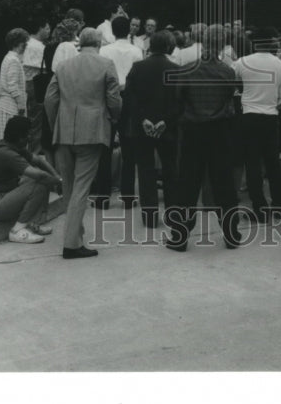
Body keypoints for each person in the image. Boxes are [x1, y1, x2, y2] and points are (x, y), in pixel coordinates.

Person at [44, 27, 122, 258]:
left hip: (64, 130)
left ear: (80, 44)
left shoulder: (63, 66)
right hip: (92, 131)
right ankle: (71, 244)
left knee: (69, 188)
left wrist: (55, 124)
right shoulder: (106, 64)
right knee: (81, 188)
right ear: (98, 44)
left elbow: (50, 100)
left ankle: (75, 236)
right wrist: (113, 119)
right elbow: (114, 100)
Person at [165, 24, 241, 252]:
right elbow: (231, 100)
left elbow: (177, 101)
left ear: (204, 43)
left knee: (187, 184)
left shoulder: (187, 70)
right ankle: (231, 233)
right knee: (224, 184)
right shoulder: (228, 72)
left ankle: (179, 236)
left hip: (192, 131)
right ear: (222, 46)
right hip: (219, 130)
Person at [233, 26, 281, 221]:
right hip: (271, 115)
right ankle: (279, 203)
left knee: (253, 163)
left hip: (249, 114)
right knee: (273, 163)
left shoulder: (242, 62)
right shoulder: (279, 64)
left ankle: (259, 206)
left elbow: (235, 83)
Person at [0, 115, 62, 243]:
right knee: (40, 183)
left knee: (37, 179)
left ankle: (33, 223)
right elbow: (40, 176)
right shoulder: (7, 153)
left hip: (2, 197)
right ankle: (17, 230)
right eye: (28, 134)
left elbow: (39, 161)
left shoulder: (12, 146)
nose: (30, 137)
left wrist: (57, 177)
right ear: (20, 137)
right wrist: (61, 183)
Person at [126, 29, 181, 227]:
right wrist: (166, 121)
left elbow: (131, 98)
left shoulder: (138, 67)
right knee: (170, 170)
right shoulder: (175, 69)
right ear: (168, 46)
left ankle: (149, 217)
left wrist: (143, 119)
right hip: (168, 127)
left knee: (145, 170)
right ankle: (174, 214)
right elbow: (179, 101)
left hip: (143, 127)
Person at [96, 15, 143, 207]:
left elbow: (101, 76)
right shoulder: (136, 50)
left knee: (105, 148)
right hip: (130, 98)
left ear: (113, 32)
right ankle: (128, 196)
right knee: (129, 149)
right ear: (129, 30)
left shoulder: (105, 50)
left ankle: (102, 197)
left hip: (109, 97)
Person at [0, 28, 29, 141]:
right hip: (12, 106)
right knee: (14, 140)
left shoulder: (8, 57)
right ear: (20, 43)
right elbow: (12, 86)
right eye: (26, 42)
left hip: (8, 104)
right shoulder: (13, 60)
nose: (27, 46)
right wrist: (21, 106)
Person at [23, 19, 51, 154]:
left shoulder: (26, 43)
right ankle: (34, 153)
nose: (49, 31)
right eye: (47, 28)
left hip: (25, 83)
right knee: (37, 121)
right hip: (35, 84)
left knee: (29, 119)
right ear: (40, 28)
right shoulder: (38, 47)